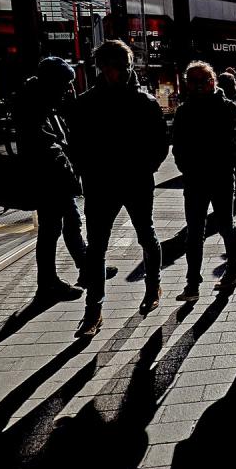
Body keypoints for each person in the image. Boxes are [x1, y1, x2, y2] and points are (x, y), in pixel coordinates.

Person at [69, 40, 168, 337]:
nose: (115, 74)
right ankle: (93, 310)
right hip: (101, 184)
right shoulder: (87, 103)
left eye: (120, 68)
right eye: (109, 68)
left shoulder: (144, 101)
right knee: (97, 246)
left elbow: (160, 144)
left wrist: (145, 167)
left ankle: (152, 286)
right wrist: (88, 171)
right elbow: (76, 145)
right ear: (101, 68)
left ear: (128, 67)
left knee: (146, 234)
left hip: (135, 180)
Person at [13, 57, 87, 300]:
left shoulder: (43, 102)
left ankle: (83, 268)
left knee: (68, 223)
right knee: (52, 230)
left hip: (53, 179)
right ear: (53, 82)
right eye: (66, 84)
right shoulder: (35, 106)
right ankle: (48, 283)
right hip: (49, 181)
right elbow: (49, 147)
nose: (68, 90)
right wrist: (71, 178)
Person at [171, 61, 236, 302]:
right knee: (194, 231)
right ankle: (192, 283)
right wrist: (184, 166)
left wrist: (229, 163)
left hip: (221, 175)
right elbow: (178, 143)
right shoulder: (184, 110)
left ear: (213, 81)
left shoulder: (227, 108)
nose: (199, 85)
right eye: (193, 81)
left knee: (225, 225)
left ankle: (234, 267)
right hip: (194, 178)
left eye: (204, 80)